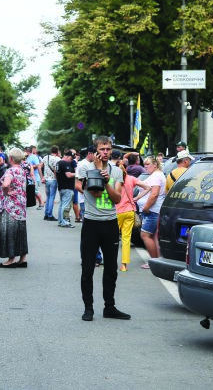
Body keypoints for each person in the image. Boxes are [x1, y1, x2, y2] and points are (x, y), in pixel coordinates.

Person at [76, 135, 130, 321]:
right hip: (92, 223)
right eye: (102, 149)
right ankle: (88, 307)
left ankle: (110, 307)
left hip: (110, 223)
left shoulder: (116, 171)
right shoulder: (85, 168)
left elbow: (117, 199)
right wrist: (99, 172)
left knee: (111, 269)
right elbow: (96, 193)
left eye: (108, 149)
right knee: (88, 268)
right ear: (95, 151)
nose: (105, 153)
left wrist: (106, 180)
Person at [0, 147, 29, 268]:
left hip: (11, 205)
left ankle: (11, 259)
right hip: (21, 204)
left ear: (10, 158)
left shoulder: (10, 171)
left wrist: (6, 192)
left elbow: (6, 184)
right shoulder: (22, 170)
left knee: (10, 231)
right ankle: (22, 258)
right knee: (20, 230)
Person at [116, 161, 150, 272]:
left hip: (116, 212)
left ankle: (110, 262)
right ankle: (124, 265)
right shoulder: (131, 179)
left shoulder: (114, 179)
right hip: (130, 211)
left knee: (112, 239)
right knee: (126, 239)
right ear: (127, 168)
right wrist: (137, 198)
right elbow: (148, 187)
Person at [134, 156, 166, 269]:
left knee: (145, 235)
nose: (145, 166)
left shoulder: (156, 176)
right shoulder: (156, 175)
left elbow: (154, 195)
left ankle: (153, 261)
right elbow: (149, 191)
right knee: (153, 236)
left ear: (155, 165)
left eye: (147, 164)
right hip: (153, 210)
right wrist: (137, 198)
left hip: (152, 211)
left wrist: (146, 208)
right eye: (144, 164)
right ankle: (157, 260)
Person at [56, 150, 76, 228]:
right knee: (65, 205)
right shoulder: (65, 163)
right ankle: (64, 222)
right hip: (67, 187)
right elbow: (68, 175)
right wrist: (77, 173)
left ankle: (61, 221)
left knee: (61, 205)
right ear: (67, 156)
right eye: (71, 158)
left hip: (61, 186)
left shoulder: (58, 163)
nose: (72, 160)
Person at [41, 145, 60, 221]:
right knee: (52, 197)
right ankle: (50, 215)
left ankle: (46, 214)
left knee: (48, 197)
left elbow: (40, 166)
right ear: (57, 151)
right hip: (53, 179)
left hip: (46, 179)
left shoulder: (46, 157)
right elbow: (56, 170)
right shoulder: (57, 159)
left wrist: (42, 176)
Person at [27, 145, 44, 209]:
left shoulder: (34, 157)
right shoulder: (29, 157)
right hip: (30, 177)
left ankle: (41, 203)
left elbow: (38, 165)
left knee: (35, 191)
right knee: (32, 191)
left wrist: (29, 166)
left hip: (35, 177)